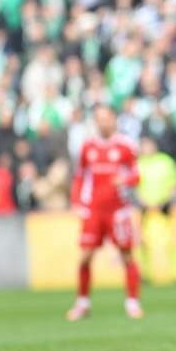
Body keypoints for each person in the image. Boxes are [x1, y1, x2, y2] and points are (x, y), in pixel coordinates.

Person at [66, 105, 143, 321]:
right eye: (99, 119)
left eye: (106, 118)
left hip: (118, 210)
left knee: (126, 255)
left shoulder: (126, 145)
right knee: (85, 257)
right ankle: (82, 303)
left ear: (114, 120)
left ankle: (132, 303)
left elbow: (137, 175)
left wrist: (125, 180)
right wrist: (77, 202)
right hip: (93, 210)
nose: (103, 123)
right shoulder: (88, 147)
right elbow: (80, 176)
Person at [136, 135, 176, 284]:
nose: (146, 148)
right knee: (143, 243)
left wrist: (165, 201)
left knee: (170, 241)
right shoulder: (138, 164)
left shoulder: (165, 161)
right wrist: (143, 201)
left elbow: (174, 183)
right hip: (145, 207)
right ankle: (145, 275)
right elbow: (134, 187)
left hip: (163, 206)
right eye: (144, 145)